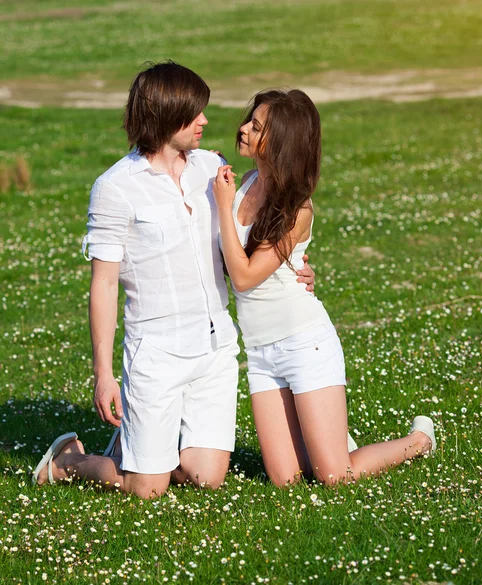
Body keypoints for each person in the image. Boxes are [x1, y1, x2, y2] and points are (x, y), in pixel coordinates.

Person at [31, 62, 315, 498]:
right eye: (193, 113)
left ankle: (141, 446)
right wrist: (103, 374)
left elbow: (252, 234)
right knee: (147, 489)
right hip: (155, 353)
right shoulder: (114, 188)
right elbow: (104, 286)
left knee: (206, 477)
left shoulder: (212, 168)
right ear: (164, 117)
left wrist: (294, 263)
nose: (205, 120)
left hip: (214, 350)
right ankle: (70, 459)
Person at [212, 89, 436, 487]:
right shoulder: (244, 184)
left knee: (335, 475)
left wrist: (222, 206)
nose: (243, 129)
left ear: (279, 144)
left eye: (256, 127)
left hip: (305, 344)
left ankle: (418, 440)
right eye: (250, 120)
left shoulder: (297, 209)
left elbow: (244, 276)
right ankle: (331, 436)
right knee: (286, 480)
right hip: (262, 352)